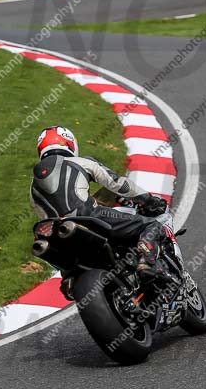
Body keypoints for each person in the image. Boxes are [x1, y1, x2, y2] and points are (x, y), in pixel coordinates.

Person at [30, 126, 168, 293]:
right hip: (89, 217)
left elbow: (41, 211)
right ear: (70, 144)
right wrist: (148, 199)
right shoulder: (81, 161)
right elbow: (117, 183)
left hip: (55, 235)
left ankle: (70, 278)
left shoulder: (33, 186)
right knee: (152, 226)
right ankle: (145, 263)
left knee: (58, 251)